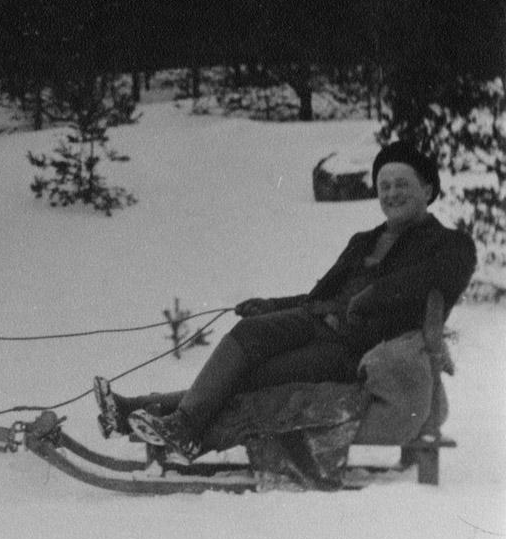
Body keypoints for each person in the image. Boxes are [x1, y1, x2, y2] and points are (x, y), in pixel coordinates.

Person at [96, 140, 477, 463]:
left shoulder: (450, 245)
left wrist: (375, 294)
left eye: (402, 184)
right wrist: (270, 305)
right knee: (250, 331)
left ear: (428, 190)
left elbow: (432, 279)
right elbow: (319, 298)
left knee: (257, 379)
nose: (392, 193)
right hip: (316, 321)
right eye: (384, 185)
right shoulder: (364, 240)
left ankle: (149, 413)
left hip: (355, 349)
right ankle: (178, 424)